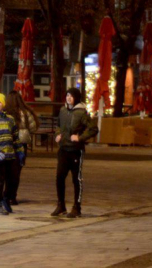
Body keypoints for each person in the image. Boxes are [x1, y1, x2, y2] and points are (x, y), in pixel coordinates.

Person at [53, 87, 98, 218]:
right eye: (67, 95)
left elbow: (93, 129)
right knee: (59, 177)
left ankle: (76, 207)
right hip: (63, 149)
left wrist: (80, 138)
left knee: (76, 179)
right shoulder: (63, 110)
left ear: (76, 98)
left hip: (75, 151)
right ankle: (61, 205)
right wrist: (57, 134)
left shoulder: (81, 113)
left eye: (71, 96)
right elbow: (58, 125)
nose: (69, 98)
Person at [5, 90, 39, 205]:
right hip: (21, 144)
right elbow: (33, 127)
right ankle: (12, 196)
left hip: (7, 144)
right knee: (16, 171)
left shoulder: (5, 113)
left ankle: (6, 194)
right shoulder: (25, 112)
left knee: (7, 171)